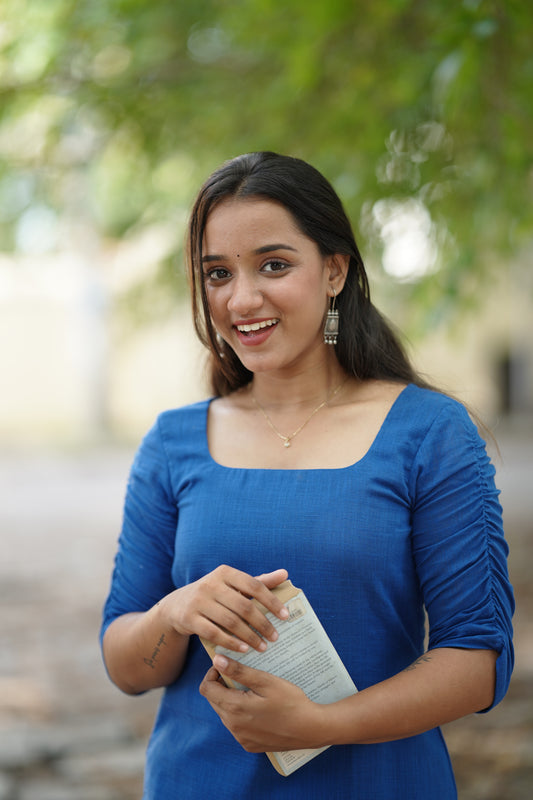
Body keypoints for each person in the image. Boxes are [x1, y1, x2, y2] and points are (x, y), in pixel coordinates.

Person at [100, 151, 514, 799]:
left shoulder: (429, 433)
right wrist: (173, 613)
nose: (241, 298)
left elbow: (475, 662)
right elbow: (127, 665)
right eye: (216, 273)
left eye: (273, 264)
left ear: (334, 271)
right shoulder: (173, 443)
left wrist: (321, 724)